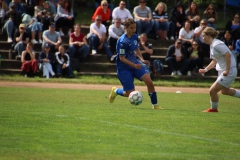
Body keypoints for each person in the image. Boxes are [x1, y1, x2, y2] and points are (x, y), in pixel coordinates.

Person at [108, 18, 162, 110]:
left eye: (135, 28)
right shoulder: (122, 42)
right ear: (126, 28)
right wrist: (135, 65)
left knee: (149, 82)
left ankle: (155, 105)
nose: (134, 30)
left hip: (135, 64)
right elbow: (122, 58)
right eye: (131, 28)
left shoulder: (134, 36)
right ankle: (116, 91)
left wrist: (142, 59)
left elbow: (136, 49)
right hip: (124, 68)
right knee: (129, 93)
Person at [199, 27, 240, 112]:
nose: (203, 38)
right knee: (225, 91)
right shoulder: (212, 45)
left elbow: (228, 55)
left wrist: (227, 70)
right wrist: (205, 70)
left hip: (229, 70)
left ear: (208, 36)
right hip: (224, 70)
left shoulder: (217, 44)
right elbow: (215, 60)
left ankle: (213, 109)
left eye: (204, 36)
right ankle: (213, 109)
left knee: (212, 91)